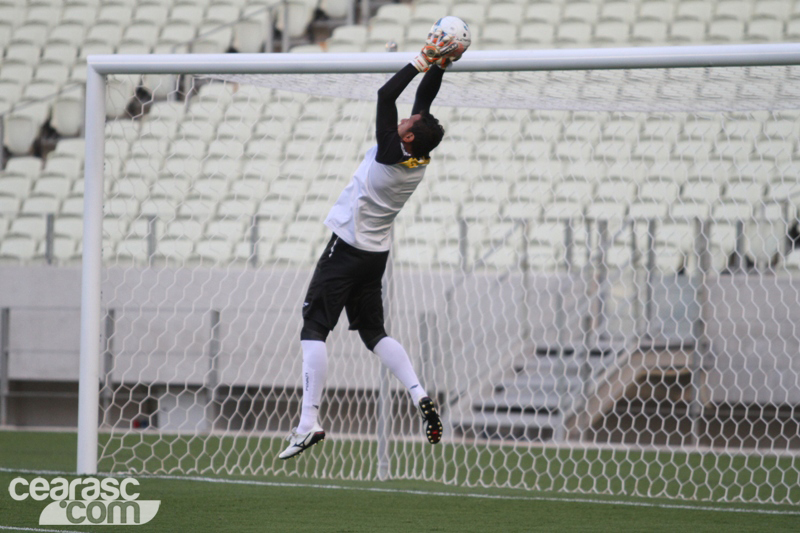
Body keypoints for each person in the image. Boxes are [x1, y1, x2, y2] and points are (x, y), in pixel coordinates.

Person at [278, 29, 468, 460]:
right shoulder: (418, 155)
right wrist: (441, 64)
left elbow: (387, 97)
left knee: (313, 328)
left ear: (406, 137)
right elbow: (423, 105)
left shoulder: (389, 152)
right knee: (373, 332)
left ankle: (308, 420)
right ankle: (419, 392)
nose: (405, 118)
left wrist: (421, 59)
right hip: (375, 255)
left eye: (407, 123)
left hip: (346, 248)